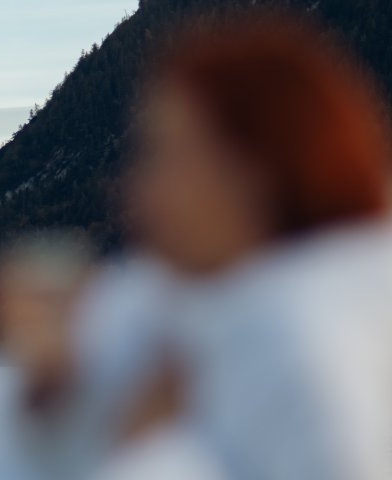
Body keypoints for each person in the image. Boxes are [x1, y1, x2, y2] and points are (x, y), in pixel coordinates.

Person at [97, 11, 392, 479]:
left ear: (254, 174)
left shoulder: (301, 354)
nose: (137, 189)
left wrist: (147, 447)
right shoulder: (195, 309)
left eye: (170, 155)